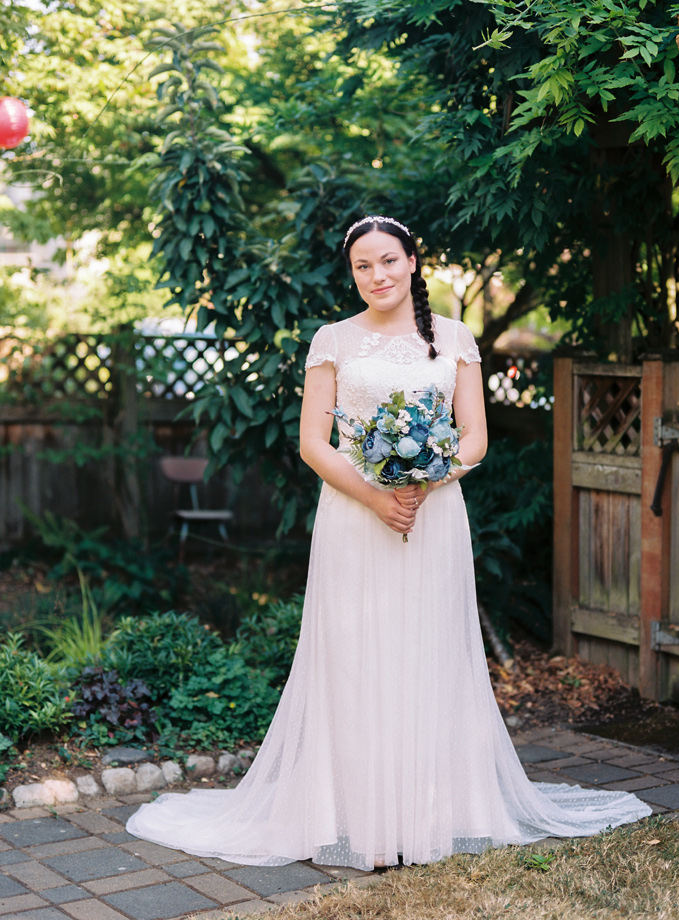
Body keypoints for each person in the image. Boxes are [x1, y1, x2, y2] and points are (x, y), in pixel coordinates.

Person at [127, 215, 650, 869]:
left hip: (434, 518)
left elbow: (475, 437)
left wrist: (426, 482)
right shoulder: (333, 340)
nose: (376, 275)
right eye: (362, 267)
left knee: (430, 650)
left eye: (388, 261)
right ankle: (350, 821)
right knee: (352, 657)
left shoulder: (454, 338)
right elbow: (313, 443)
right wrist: (377, 496)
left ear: (413, 262)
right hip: (353, 519)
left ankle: (437, 815)